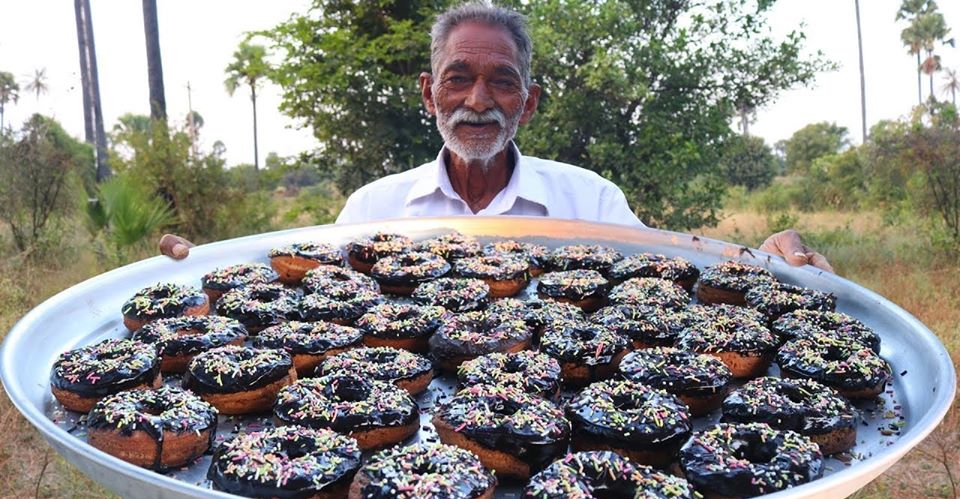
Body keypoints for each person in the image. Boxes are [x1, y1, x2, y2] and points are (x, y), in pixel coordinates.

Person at [160, 1, 832, 273]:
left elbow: (668, 272)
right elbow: (300, 301)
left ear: (529, 103)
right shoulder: (371, 210)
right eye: (458, 79)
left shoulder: (589, 202)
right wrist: (206, 269)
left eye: (502, 83)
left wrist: (766, 260)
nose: (478, 101)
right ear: (429, 94)